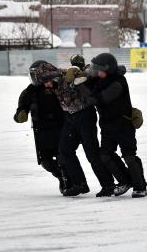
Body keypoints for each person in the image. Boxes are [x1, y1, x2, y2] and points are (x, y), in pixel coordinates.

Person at [30, 61, 115, 197]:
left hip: (85, 115)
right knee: (65, 150)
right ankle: (80, 184)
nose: (46, 86)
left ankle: (108, 184)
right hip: (70, 117)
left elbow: (89, 70)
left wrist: (77, 70)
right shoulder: (52, 84)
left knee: (91, 152)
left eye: (46, 82)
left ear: (51, 77)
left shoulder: (67, 75)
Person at [71, 53, 147, 198]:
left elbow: (96, 99)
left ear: (108, 69)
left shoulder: (118, 83)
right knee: (105, 155)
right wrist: (78, 74)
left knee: (129, 156)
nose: (96, 72)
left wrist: (80, 84)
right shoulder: (101, 79)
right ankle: (124, 181)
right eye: (96, 69)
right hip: (107, 125)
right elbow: (89, 79)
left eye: (99, 70)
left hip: (123, 124)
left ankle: (140, 186)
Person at [13, 60, 72, 195]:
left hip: (60, 127)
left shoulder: (58, 86)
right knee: (46, 162)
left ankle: (68, 180)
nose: (34, 78)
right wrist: (20, 115)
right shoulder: (29, 92)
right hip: (41, 132)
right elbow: (20, 110)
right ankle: (59, 176)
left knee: (63, 157)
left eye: (36, 75)